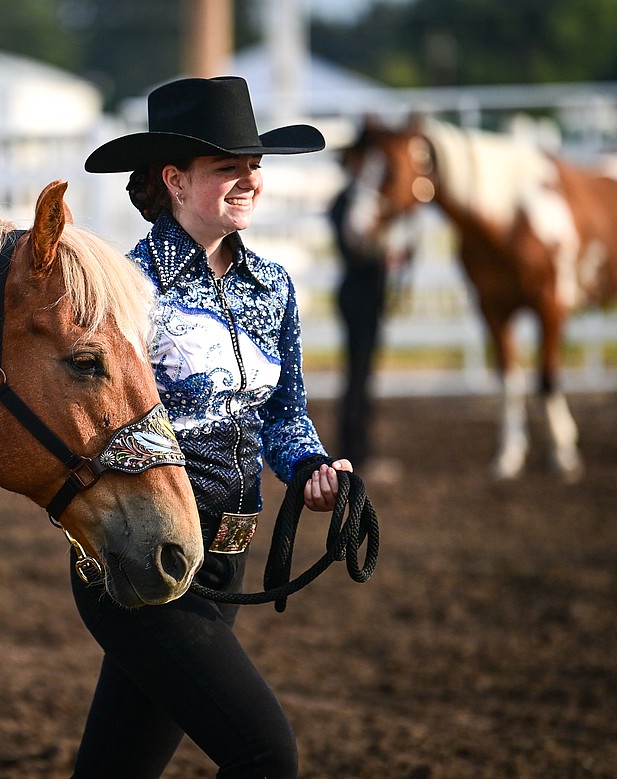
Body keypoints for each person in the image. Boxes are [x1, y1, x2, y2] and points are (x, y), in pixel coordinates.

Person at [78, 75, 353, 778]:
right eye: (228, 167)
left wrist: (313, 469)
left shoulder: (276, 289)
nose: (249, 181)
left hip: (227, 559)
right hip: (146, 555)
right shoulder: (127, 292)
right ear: (174, 180)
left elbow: (285, 416)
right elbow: (105, 429)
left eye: (253, 166)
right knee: (266, 754)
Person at [328, 132, 415, 469]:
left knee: (362, 374)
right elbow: (355, 250)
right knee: (358, 374)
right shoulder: (348, 202)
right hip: (358, 297)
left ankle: (359, 448)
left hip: (364, 296)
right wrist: (384, 253)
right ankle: (356, 452)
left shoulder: (359, 200)